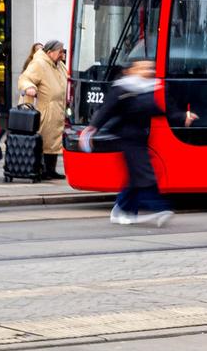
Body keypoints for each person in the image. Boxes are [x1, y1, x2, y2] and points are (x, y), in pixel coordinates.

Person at [88, 58, 174, 226]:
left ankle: (122, 208)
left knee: (135, 177)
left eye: (150, 68)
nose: (148, 71)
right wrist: (92, 129)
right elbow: (106, 111)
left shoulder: (148, 88)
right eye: (143, 68)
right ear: (131, 70)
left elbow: (159, 111)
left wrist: (182, 117)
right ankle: (159, 208)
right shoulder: (122, 88)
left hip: (140, 138)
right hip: (127, 138)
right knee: (144, 174)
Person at [16, 39, 70, 180]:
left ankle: (51, 170)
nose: (62, 54)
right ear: (50, 52)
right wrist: (29, 87)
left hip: (58, 108)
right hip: (45, 108)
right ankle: (41, 169)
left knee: (53, 141)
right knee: (44, 140)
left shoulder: (59, 65)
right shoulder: (39, 64)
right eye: (60, 52)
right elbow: (24, 78)